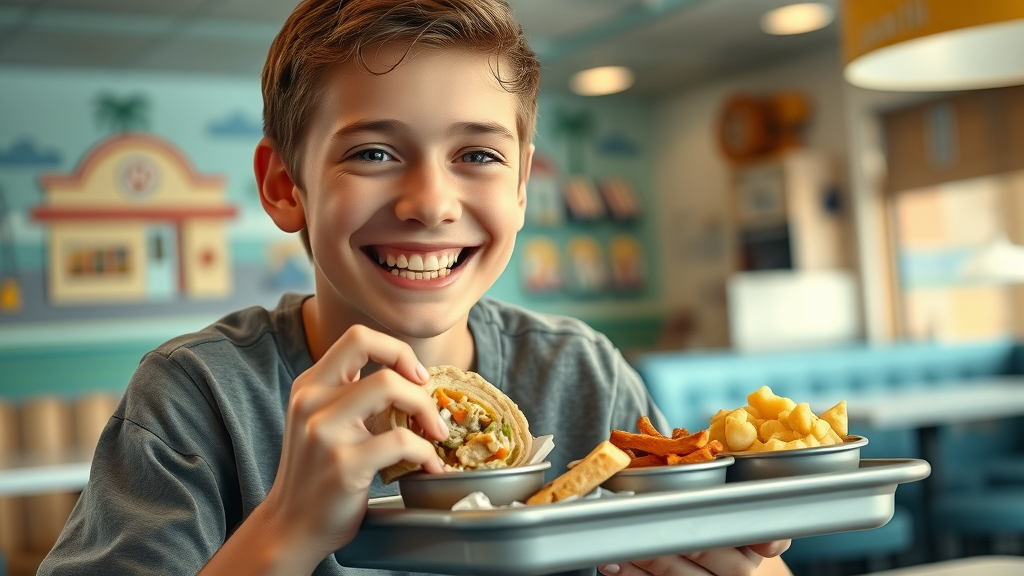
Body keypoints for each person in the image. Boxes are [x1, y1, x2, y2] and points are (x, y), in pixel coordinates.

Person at [39, 1, 792, 575]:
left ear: (524, 185)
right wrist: (286, 532)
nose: (431, 202)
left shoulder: (582, 375)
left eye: (477, 155)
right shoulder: (197, 399)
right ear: (283, 185)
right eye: (372, 151)